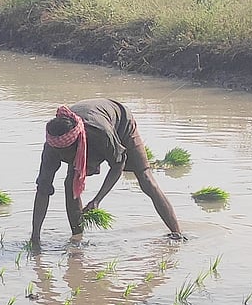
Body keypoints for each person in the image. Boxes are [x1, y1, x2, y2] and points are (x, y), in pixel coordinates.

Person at [29, 100, 183, 247]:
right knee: (71, 183)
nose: (62, 157)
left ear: (77, 144)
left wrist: (97, 200)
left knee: (145, 178)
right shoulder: (53, 148)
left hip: (121, 122)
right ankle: (77, 239)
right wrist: (35, 238)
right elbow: (43, 190)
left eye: (66, 154)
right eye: (59, 153)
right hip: (86, 129)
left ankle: (177, 234)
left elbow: (118, 164)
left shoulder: (101, 134)